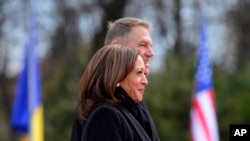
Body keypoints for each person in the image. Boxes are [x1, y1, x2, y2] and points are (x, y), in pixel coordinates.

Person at [71, 17, 159, 141]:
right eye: (142, 45)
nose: (151, 53)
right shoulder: (104, 114)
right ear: (116, 47)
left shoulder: (132, 103)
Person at [78, 45, 153, 141]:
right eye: (139, 72)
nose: (145, 81)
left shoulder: (131, 114)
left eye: (144, 73)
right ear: (117, 76)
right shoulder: (105, 116)